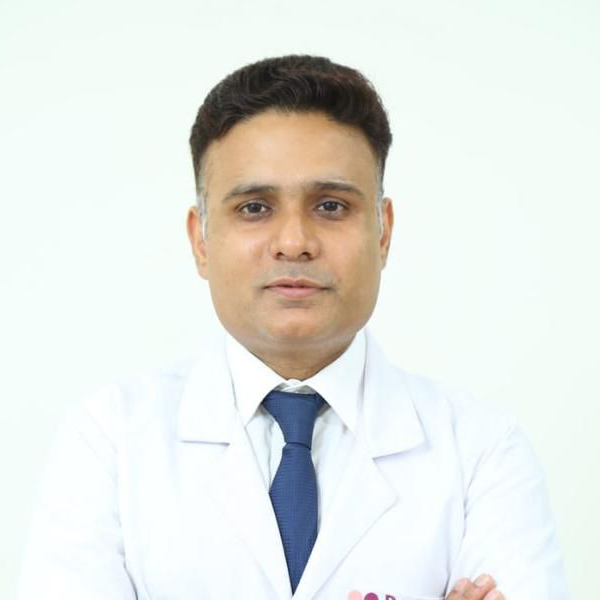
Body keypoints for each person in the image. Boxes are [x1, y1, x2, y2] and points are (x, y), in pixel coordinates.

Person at [18, 55, 569, 600]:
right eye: (254, 208)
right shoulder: (109, 443)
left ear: (383, 233)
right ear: (200, 240)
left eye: (330, 206)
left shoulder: (482, 452)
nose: (294, 242)